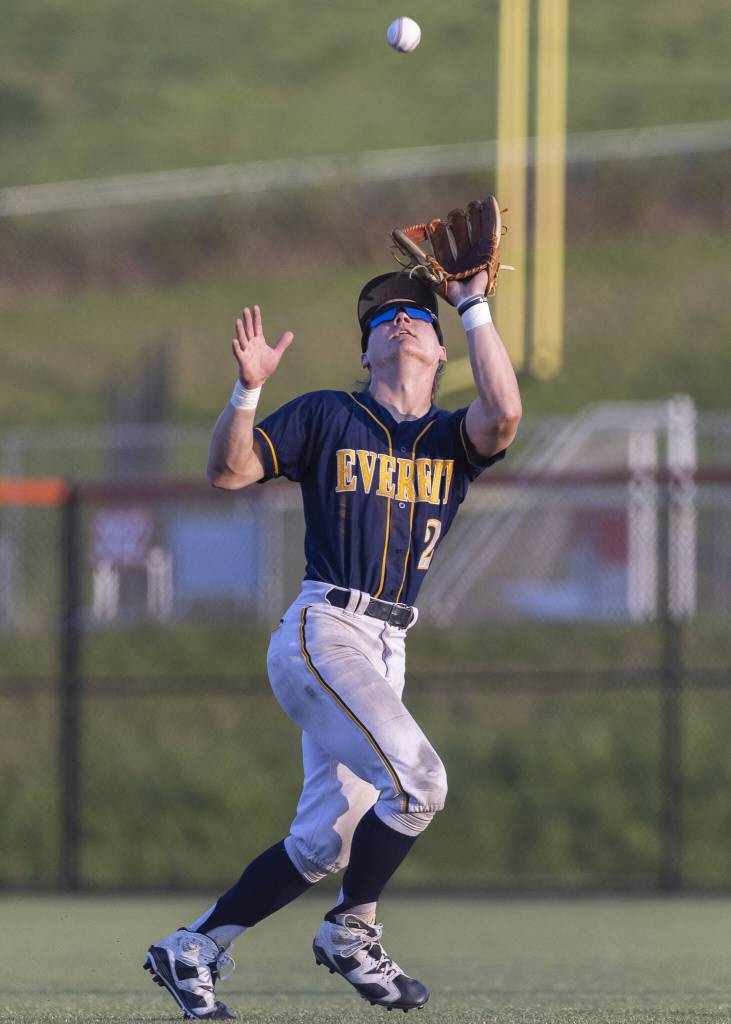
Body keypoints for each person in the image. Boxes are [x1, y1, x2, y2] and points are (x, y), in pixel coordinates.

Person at [144, 266, 522, 1020]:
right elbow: (228, 471)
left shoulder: (448, 437)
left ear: (443, 353)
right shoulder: (326, 414)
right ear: (365, 354)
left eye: (418, 316)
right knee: (419, 783)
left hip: (388, 647)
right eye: (384, 320)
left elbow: (504, 414)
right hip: (327, 630)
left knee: (324, 844)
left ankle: (194, 946)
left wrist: (473, 305)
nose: (402, 322)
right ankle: (352, 930)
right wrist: (246, 391)